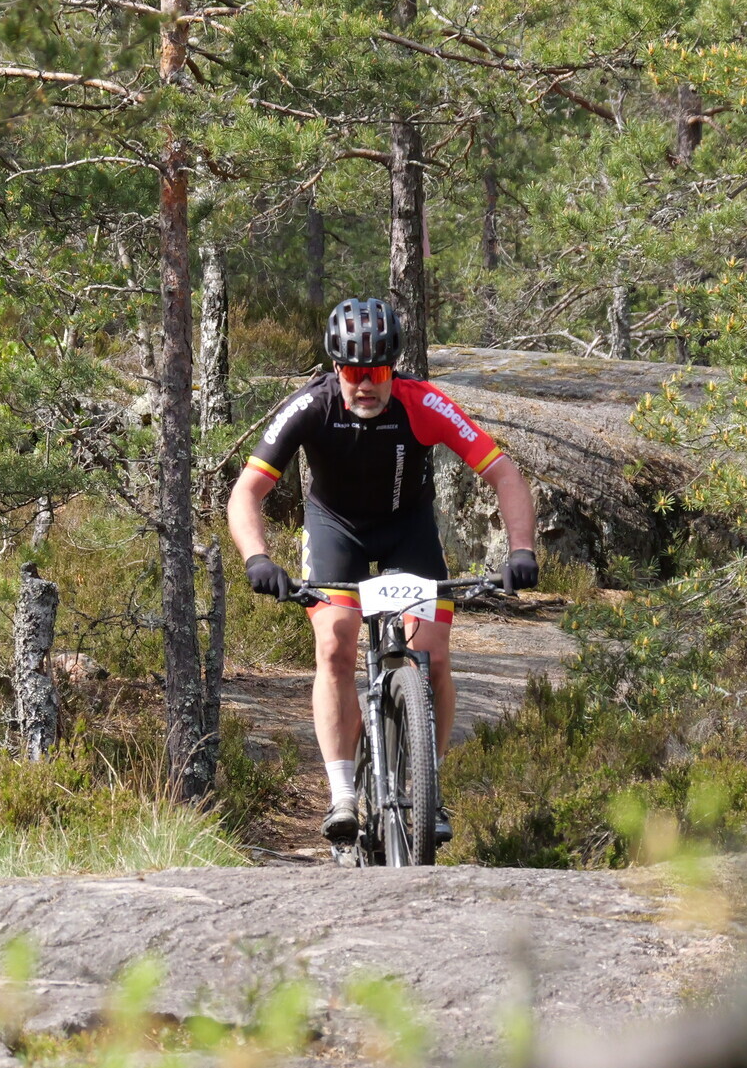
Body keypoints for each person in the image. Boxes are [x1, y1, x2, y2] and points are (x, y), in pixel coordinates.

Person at [226, 297, 541, 846]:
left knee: (433, 654)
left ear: (393, 368)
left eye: (377, 371)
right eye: (353, 372)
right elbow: (246, 493)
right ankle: (343, 793)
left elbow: (504, 474)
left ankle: (427, 786)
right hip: (336, 530)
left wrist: (521, 550)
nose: (366, 384)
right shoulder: (311, 406)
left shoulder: (423, 403)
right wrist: (258, 558)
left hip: (406, 529)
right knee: (335, 647)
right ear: (336, 368)